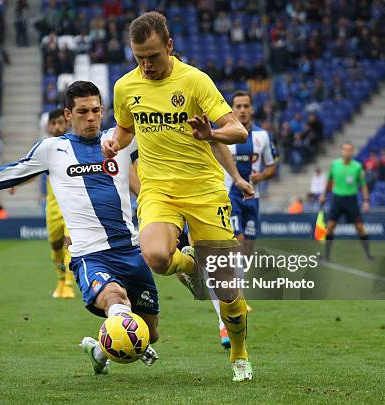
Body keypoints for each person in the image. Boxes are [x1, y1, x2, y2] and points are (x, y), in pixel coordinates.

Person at [0, 81, 160, 375]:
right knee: (116, 300)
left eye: (96, 110)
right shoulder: (52, 149)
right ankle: (122, 333)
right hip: (90, 256)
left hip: (131, 252)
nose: (91, 117)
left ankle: (98, 350)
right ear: (68, 114)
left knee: (150, 334)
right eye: (83, 111)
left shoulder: (120, 141)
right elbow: (11, 173)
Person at [101, 11, 254, 382]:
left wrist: (211, 136)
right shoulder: (126, 87)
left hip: (203, 189)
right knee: (155, 256)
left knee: (229, 292)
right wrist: (113, 143)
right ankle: (188, 267)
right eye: (139, 58)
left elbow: (238, 131)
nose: (146, 65)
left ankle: (239, 353)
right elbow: (126, 128)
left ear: (169, 46)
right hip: (158, 189)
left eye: (153, 56)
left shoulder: (195, 81)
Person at [212, 90, 276, 348]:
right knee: (237, 243)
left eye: (246, 106)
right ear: (233, 108)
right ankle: (235, 300)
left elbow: (272, 165)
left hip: (254, 199)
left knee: (247, 249)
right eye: (237, 106)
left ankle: (238, 294)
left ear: (252, 109)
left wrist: (259, 178)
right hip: (231, 198)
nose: (241, 110)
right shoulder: (226, 135)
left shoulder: (262, 136)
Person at [319, 142, 372, 261]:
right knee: (330, 226)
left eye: (349, 150)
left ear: (353, 152)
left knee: (360, 227)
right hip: (337, 198)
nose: (347, 152)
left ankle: (368, 254)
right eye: (344, 149)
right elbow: (329, 181)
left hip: (351, 199)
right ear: (341, 151)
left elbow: (363, 185)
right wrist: (323, 194)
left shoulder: (357, 167)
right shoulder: (335, 164)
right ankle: (326, 256)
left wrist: (366, 201)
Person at [43, 108, 75, 299]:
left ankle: (69, 284)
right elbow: (30, 171)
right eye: (53, 123)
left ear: (67, 123)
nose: (57, 127)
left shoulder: (74, 145)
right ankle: (61, 279)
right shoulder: (44, 149)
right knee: (55, 247)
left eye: (60, 123)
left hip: (71, 205)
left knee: (70, 244)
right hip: (53, 206)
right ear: (48, 126)